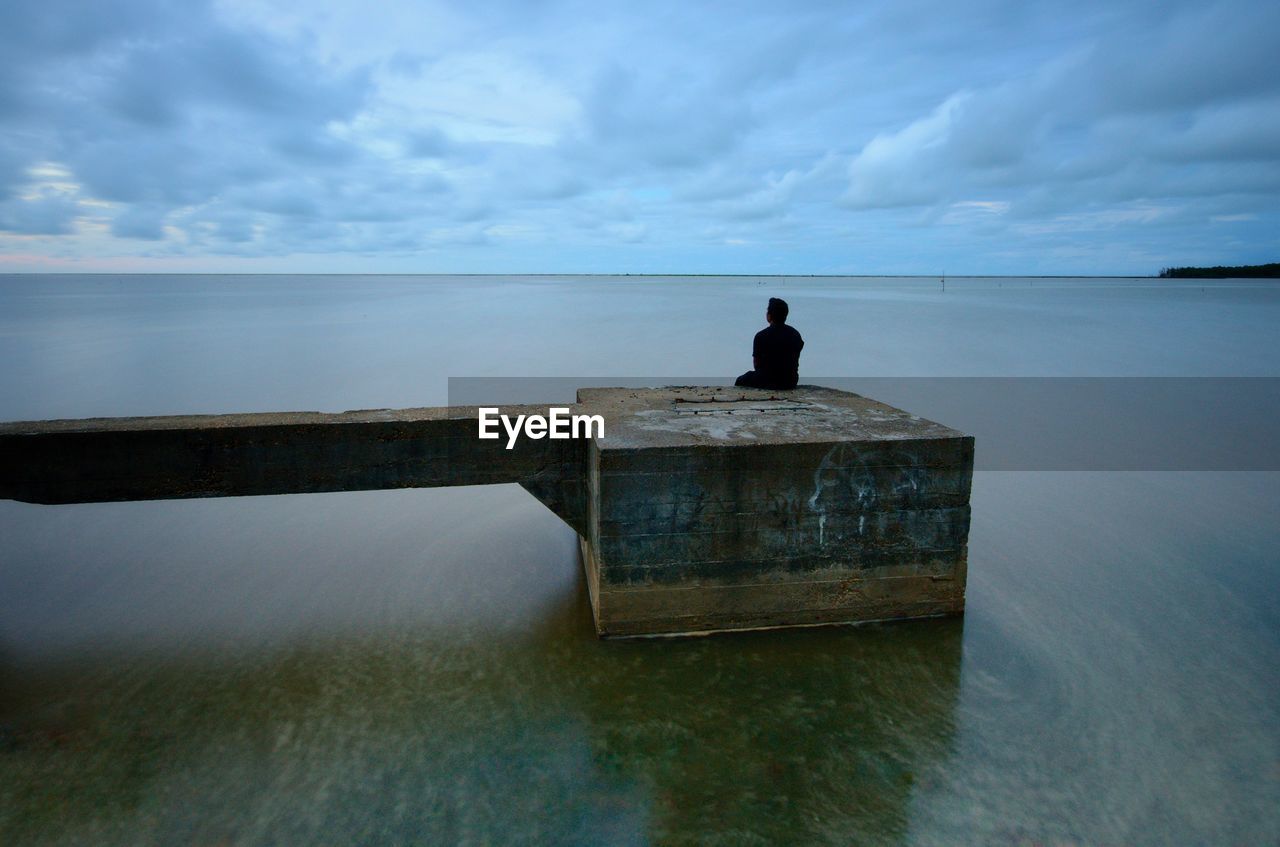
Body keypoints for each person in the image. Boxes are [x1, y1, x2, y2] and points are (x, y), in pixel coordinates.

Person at [735, 297, 804, 390]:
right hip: (790, 381)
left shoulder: (761, 336)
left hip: (767, 380)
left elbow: (757, 364)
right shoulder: (795, 334)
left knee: (740, 380)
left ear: (769, 315)